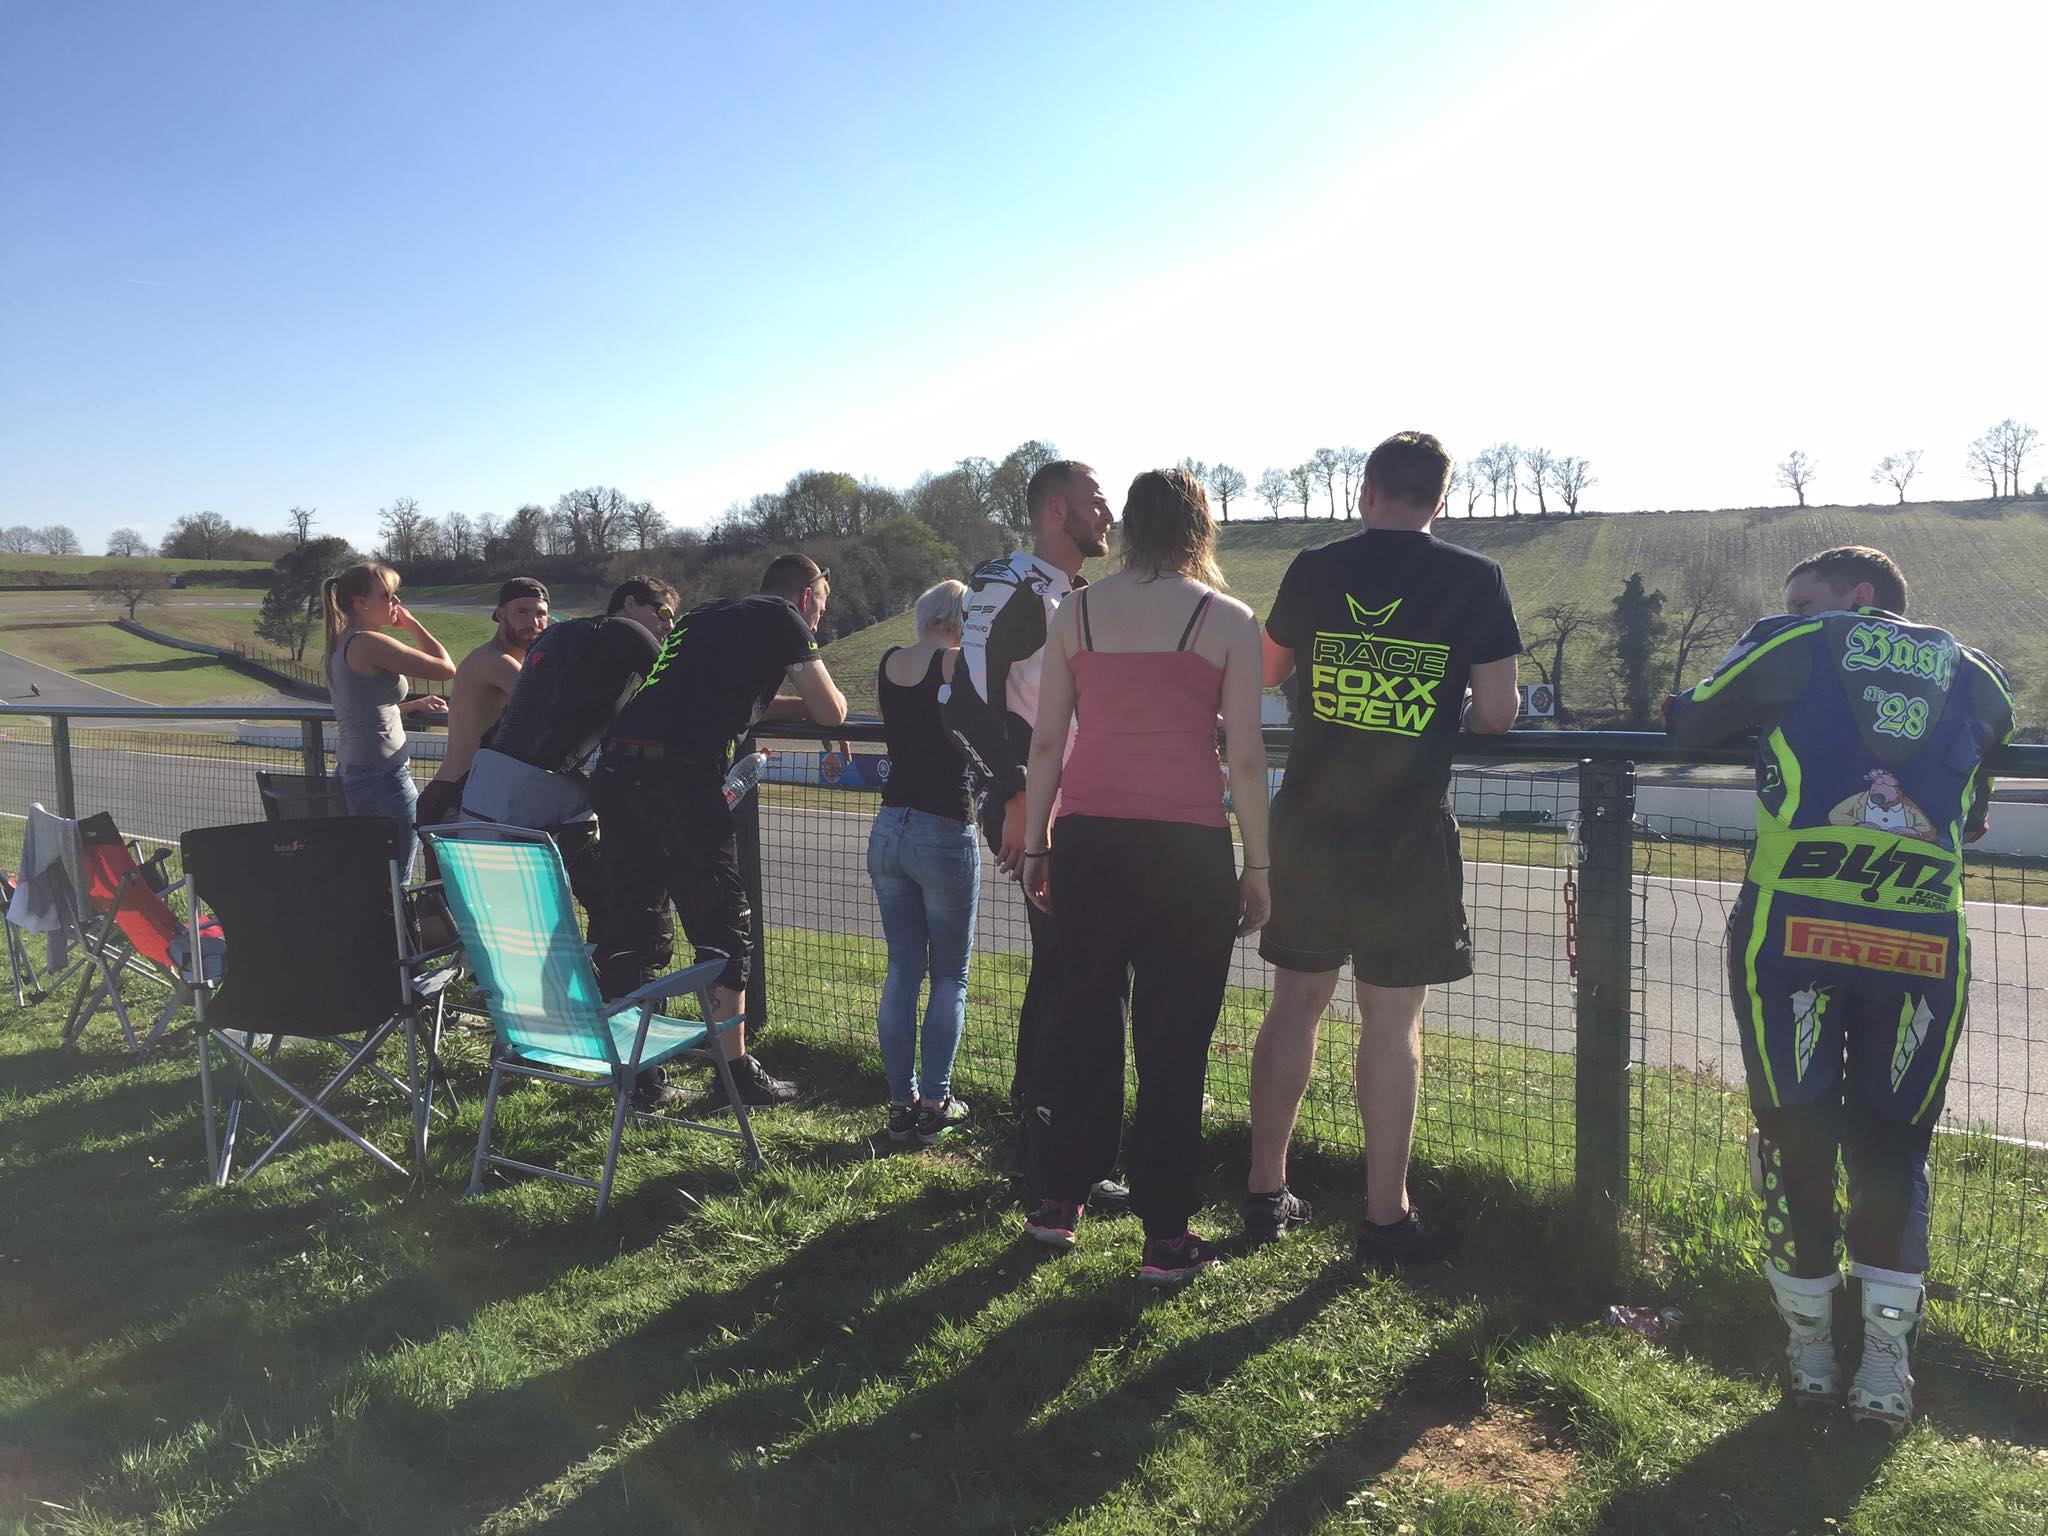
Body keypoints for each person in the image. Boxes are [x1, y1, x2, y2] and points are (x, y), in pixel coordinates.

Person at [1666, 545, 2013, 1431]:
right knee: (1895, 1145)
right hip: (1922, 943)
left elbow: (1687, 722)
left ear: (1859, 597)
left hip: (1794, 936)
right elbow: (1974, 805)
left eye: (1802, 600)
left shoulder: (1796, 644)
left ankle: (1812, 1357)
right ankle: (1886, 1370)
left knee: (1796, 1136)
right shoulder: (1980, 676)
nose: (1789, 614)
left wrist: (1756, 664)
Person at [1247, 431, 1521, 1268]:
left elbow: (1264, 672)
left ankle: (1264, 1192)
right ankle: (1385, 1217)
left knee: (1296, 1003)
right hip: (1406, 832)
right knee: (1393, 1020)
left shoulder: (1315, 567)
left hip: (1310, 825)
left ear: (1365, 492)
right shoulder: (1475, 578)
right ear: (1441, 500)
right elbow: (1497, 714)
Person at [1016, 468, 1270, 1285]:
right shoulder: (1227, 620)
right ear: (1200, 529)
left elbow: (1046, 743)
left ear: (1129, 525)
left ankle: (1059, 1200)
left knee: (1082, 1021)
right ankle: (1165, 1236)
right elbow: (1246, 758)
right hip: (1187, 852)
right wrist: (1259, 864)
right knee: (1174, 1045)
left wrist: (1038, 844)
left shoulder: (1077, 612)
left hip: (1087, 842)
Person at [592, 554, 849, 1108]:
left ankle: (637, 1076)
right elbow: (831, 709)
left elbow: (726, 701)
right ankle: (734, 1073)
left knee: (633, 924)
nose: (820, 617)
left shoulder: (703, 615)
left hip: (616, 769)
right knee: (725, 926)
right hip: (678, 779)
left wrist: (787, 709)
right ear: (807, 595)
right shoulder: (785, 618)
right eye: (822, 606)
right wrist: (820, 709)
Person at [954, 458, 1126, 1204]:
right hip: (1042, 811)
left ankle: (1049, 1150)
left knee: (1074, 972)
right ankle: (1054, 1158)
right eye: (1097, 500)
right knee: (1073, 975)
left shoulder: (1072, 594)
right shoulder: (1010, 584)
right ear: (1058, 508)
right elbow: (962, 704)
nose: (1108, 513)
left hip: (1081, 806)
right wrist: (1015, 794)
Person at [868, 579, 980, 1146]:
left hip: (890, 825)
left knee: (902, 969)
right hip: (943, 825)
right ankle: (936, 1100)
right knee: (950, 974)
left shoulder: (890, 662)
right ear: (962, 618)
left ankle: (900, 1101)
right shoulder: (955, 663)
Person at [322, 561, 454, 875]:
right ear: (361, 602)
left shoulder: (339, 642)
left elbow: (362, 708)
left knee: (366, 876)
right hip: (383, 779)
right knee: (396, 881)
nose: (396, 602)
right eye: (387, 595)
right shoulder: (367, 643)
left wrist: (413, 705)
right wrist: (412, 625)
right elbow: (445, 669)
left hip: (352, 774)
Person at [415, 577, 551, 829]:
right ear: (500, 614)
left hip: (467, 794)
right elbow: (551, 708)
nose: (533, 622)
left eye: (541, 614)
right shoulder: (496, 661)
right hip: (458, 797)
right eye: (522, 612)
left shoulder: (507, 660)